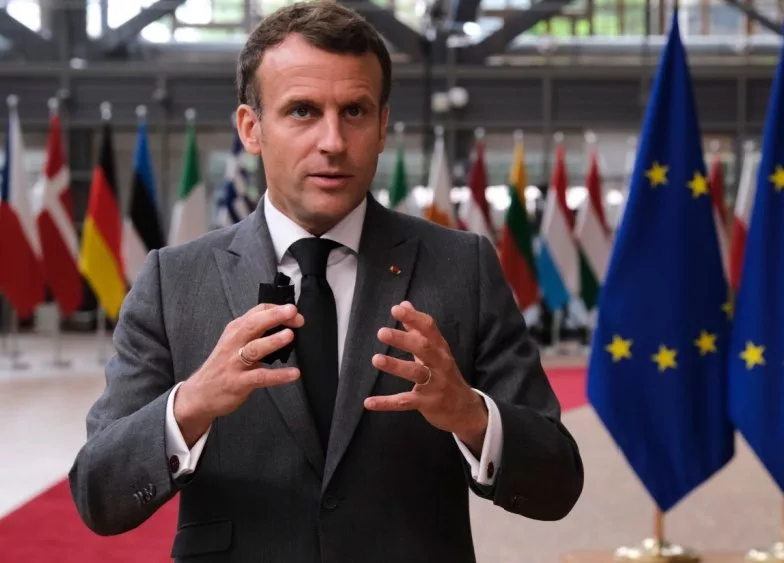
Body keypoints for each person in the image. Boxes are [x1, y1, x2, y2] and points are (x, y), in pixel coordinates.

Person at [67, 2, 584, 561]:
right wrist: (190, 405)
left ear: (384, 126)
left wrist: (472, 417)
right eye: (303, 111)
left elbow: (557, 484)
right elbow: (99, 495)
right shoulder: (174, 280)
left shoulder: (463, 267)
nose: (333, 141)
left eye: (355, 111)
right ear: (251, 128)